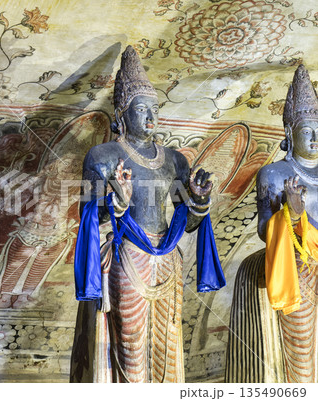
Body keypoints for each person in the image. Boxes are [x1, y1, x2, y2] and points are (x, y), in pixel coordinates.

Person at [70, 46, 225, 383]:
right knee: (129, 342)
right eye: (141, 110)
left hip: (168, 257)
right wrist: (118, 202)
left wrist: (199, 201)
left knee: (167, 342)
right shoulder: (103, 155)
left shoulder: (175, 160)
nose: (150, 118)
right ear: (121, 114)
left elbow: (188, 223)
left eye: (155, 109)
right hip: (129, 256)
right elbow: (88, 216)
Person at [226, 64, 318, 383]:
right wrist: (292, 215)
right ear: (290, 134)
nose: (315, 137)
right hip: (297, 267)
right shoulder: (275, 174)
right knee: (302, 357)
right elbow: (265, 230)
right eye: (307, 131)